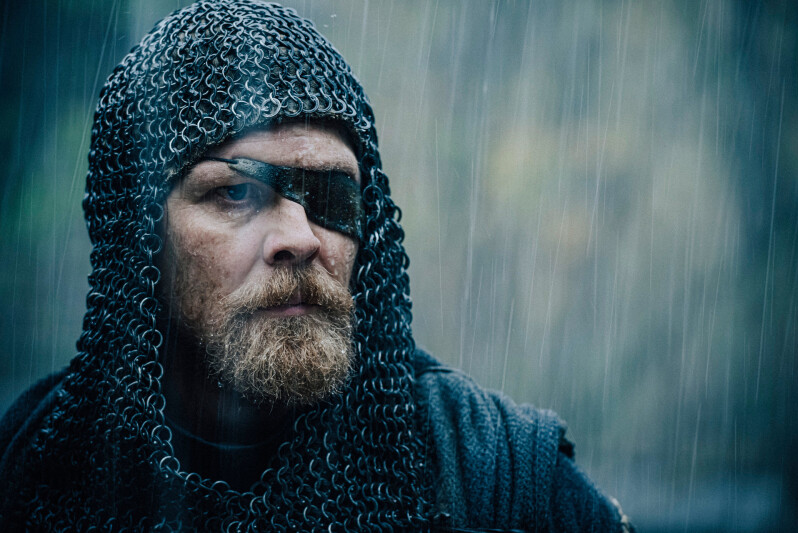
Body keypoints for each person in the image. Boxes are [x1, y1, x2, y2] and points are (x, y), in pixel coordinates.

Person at [0, 1, 633, 530]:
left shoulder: (495, 476)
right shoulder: (33, 467)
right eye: (235, 193)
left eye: (331, 199)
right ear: (138, 232)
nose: (301, 238)